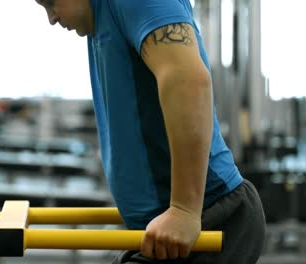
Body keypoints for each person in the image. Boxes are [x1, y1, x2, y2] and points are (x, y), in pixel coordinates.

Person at [35, 0, 266, 263]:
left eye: (51, 3)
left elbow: (188, 80)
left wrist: (184, 210)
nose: (51, 18)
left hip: (211, 216)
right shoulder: (101, 18)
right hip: (162, 230)